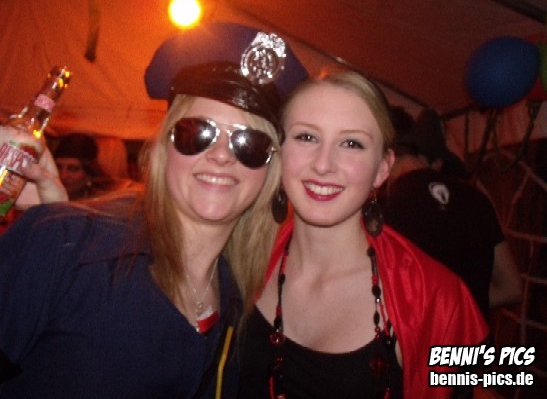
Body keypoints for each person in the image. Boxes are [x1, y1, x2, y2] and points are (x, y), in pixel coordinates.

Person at [0, 22, 307, 397]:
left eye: (249, 143)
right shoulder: (62, 242)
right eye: (198, 132)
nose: (221, 155)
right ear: (164, 147)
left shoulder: (241, 306)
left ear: (270, 171)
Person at [238, 69, 489, 398]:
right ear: (279, 151)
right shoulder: (243, 258)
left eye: (352, 143)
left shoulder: (435, 297)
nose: (323, 164)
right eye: (307, 137)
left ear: (382, 168)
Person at [380, 106, 522, 320]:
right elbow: (512, 288)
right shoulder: (477, 199)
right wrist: (464, 302)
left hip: (425, 338)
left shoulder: (384, 207)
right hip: (475, 338)